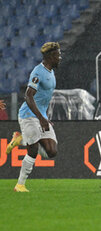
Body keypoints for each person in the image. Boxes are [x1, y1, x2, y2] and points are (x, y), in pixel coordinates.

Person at [6, 42, 61, 192]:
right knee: (33, 150)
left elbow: (42, 98)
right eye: (57, 55)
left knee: (52, 151)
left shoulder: (51, 72)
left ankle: (20, 139)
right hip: (28, 115)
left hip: (40, 115)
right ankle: (20, 185)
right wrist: (41, 118)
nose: (60, 58)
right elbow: (28, 96)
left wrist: (44, 117)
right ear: (50, 57)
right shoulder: (38, 72)